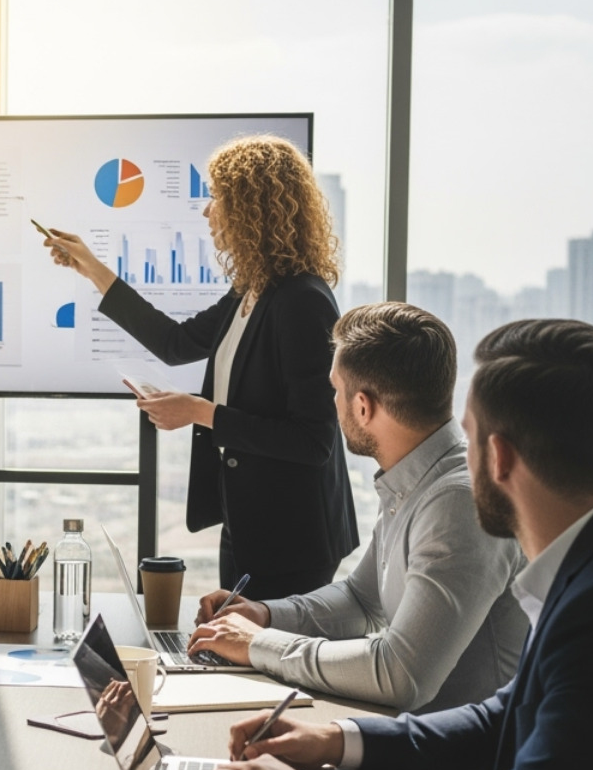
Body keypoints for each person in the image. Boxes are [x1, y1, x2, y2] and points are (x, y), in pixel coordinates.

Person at [202, 319, 593, 770]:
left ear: (500, 457)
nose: (456, 456)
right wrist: (335, 739)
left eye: (467, 437)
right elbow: (504, 719)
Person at [46, 135, 357, 600]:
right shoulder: (252, 291)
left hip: (293, 536)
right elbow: (174, 343)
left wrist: (198, 411)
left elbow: (313, 441)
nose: (207, 211)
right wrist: (91, 267)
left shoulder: (301, 301)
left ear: (254, 208)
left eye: (218, 197)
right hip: (248, 523)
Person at [187, 303, 529, 712]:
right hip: (411, 739)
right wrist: (264, 615)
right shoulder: (417, 478)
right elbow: (363, 600)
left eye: (335, 390)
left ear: (363, 407)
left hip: (457, 769)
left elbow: (401, 675)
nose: (331, 402)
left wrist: (259, 645)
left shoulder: (459, 504)